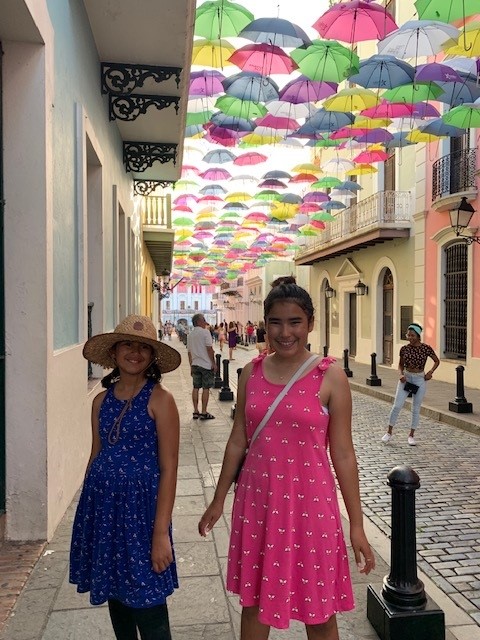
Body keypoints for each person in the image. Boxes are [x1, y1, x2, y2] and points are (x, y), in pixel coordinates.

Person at [198, 277, 374, 640]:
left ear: (309, 324)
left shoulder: (331, 376)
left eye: (295, 322)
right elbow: (237, 441)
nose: (284, 331)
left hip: (312, 506)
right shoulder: (252, 372)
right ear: (265, 324)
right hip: (259, 502)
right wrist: (217, 500)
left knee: (320, 611)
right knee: (254, 605)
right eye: (275, 322)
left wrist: (356, 524)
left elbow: (343, 454)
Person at [70, 315, 182, 640]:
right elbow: (96, 454)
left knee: (148, 598)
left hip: (142, 515)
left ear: (152, 357)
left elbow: (170, 467)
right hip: (105, 511)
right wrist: (89, 516)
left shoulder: (161, 400)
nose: (135, 352)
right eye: (128, 345)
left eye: (143, 347)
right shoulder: (100, 402)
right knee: (116, 593)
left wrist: (161, 532)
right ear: (115, 352)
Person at [382, 322, 440, 446]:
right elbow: (400, 365)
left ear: (418, 336)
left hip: (420, 379)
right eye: (408, 335)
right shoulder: (404, 349)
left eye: (412, 335)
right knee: (397, 406)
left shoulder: (426, 348)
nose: (410, 338)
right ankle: (389, 432)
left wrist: (430, 372)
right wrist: (401, 374)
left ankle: (411, 435)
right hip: (406, 378)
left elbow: (436, 361)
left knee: (415, 408)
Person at [187, 313, 216, 420]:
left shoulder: (190, 335)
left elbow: (189, 353)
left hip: (195, 364)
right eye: (204, 320)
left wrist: (191, 366)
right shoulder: (205, 332)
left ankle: (195, 411)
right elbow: (209, 349)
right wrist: (213, 363)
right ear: (199, 321)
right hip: (206, 365)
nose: (205, 322)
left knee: (195, 387)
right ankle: (204, 412)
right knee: (206, 388)